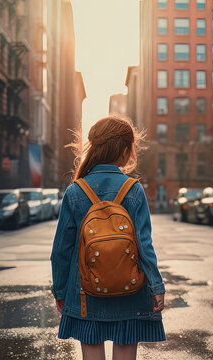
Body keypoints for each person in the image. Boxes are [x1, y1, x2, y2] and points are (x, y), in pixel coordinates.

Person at [50, 115, 166, 360]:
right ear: (125, 151)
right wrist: (157, 286)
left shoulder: (75, 191)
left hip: (85, 293)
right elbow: (144, 245)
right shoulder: (133, 189)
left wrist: (60, 291)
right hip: (130, 293)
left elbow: (61, 250)